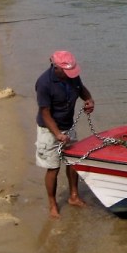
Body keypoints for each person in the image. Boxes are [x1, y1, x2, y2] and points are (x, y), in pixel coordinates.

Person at [35, 50, 95, 219]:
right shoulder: (44, 83)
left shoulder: (73, 77)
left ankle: (74, 196)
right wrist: (57, 134)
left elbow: (81, 89)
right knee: (53, 167)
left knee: (73, 162)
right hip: (49, 129)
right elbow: (45, 113)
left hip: (68, 125)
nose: (71, 74)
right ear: (56, 67)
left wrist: (89, 100)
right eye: (67, 71)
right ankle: (53, 204)